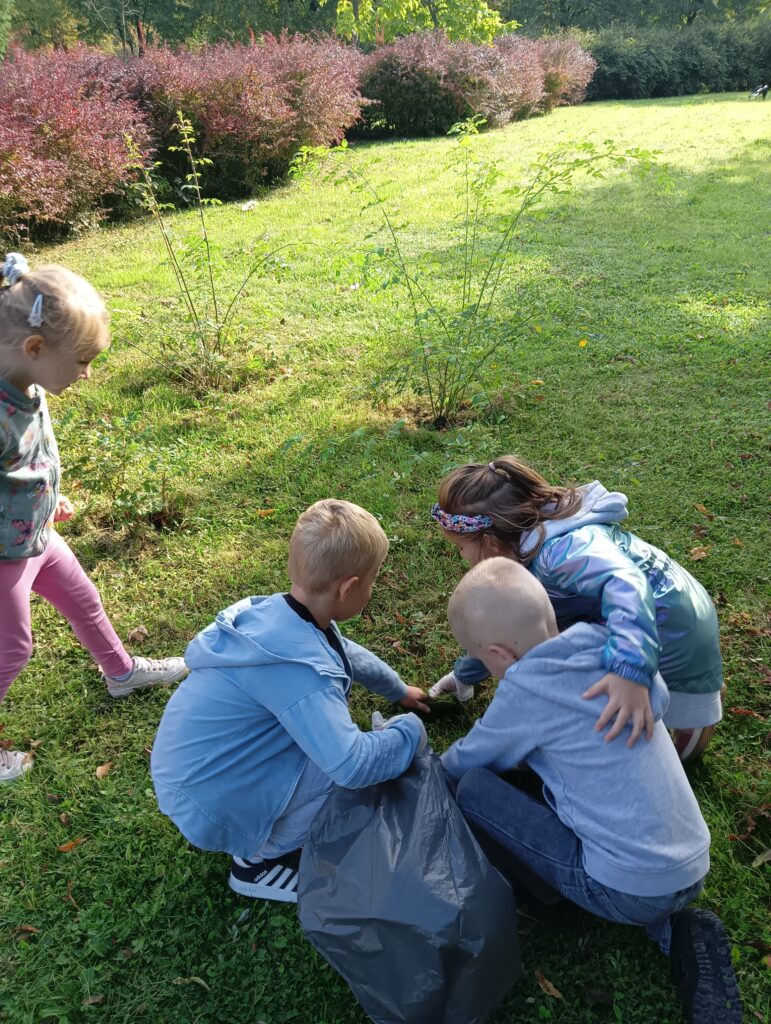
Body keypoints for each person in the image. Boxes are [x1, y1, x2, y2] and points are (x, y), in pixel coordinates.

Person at [442, 558, 742, 1024]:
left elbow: (470, 760)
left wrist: (426, 765)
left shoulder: (524, 690)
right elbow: (658, 701)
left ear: (499, 655)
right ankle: (674, 932)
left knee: (476, 790)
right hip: (692, 860)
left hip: (621, 888)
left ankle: (557, 899)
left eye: (483, 662)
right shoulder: (608, 643)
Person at [151, 499, 429, 903]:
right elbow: (351, 765)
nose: (374, 587)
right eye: (374, 579)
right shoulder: (302, 672)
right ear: (349, 588)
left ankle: (263, 824)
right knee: (350, 780)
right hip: (213, 800)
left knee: (334, 751)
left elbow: (344, 651)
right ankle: (258, 859)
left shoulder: (277, 618)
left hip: (194, 777)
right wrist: (411, 733)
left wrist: (399, 691)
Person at [0, 254, 188, 783]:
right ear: (35, 349)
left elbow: (28, 459)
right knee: (12, 648)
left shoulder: (28, 383)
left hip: (37, 534)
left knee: (84, 599)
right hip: (4, 556)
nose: (87, 373)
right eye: (82, 361)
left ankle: (121, 673)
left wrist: (45, 499)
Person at [429, 456, 725, 762]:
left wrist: (631, 669)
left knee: (669, 752)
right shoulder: (527, 546)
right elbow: (504, 630)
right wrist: (463, 675)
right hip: (637, 617)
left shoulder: (558, 554)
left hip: (670, 626)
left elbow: (626, 583)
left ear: (489, 542)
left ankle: (698, 709)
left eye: (460, 548)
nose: (461, 556)